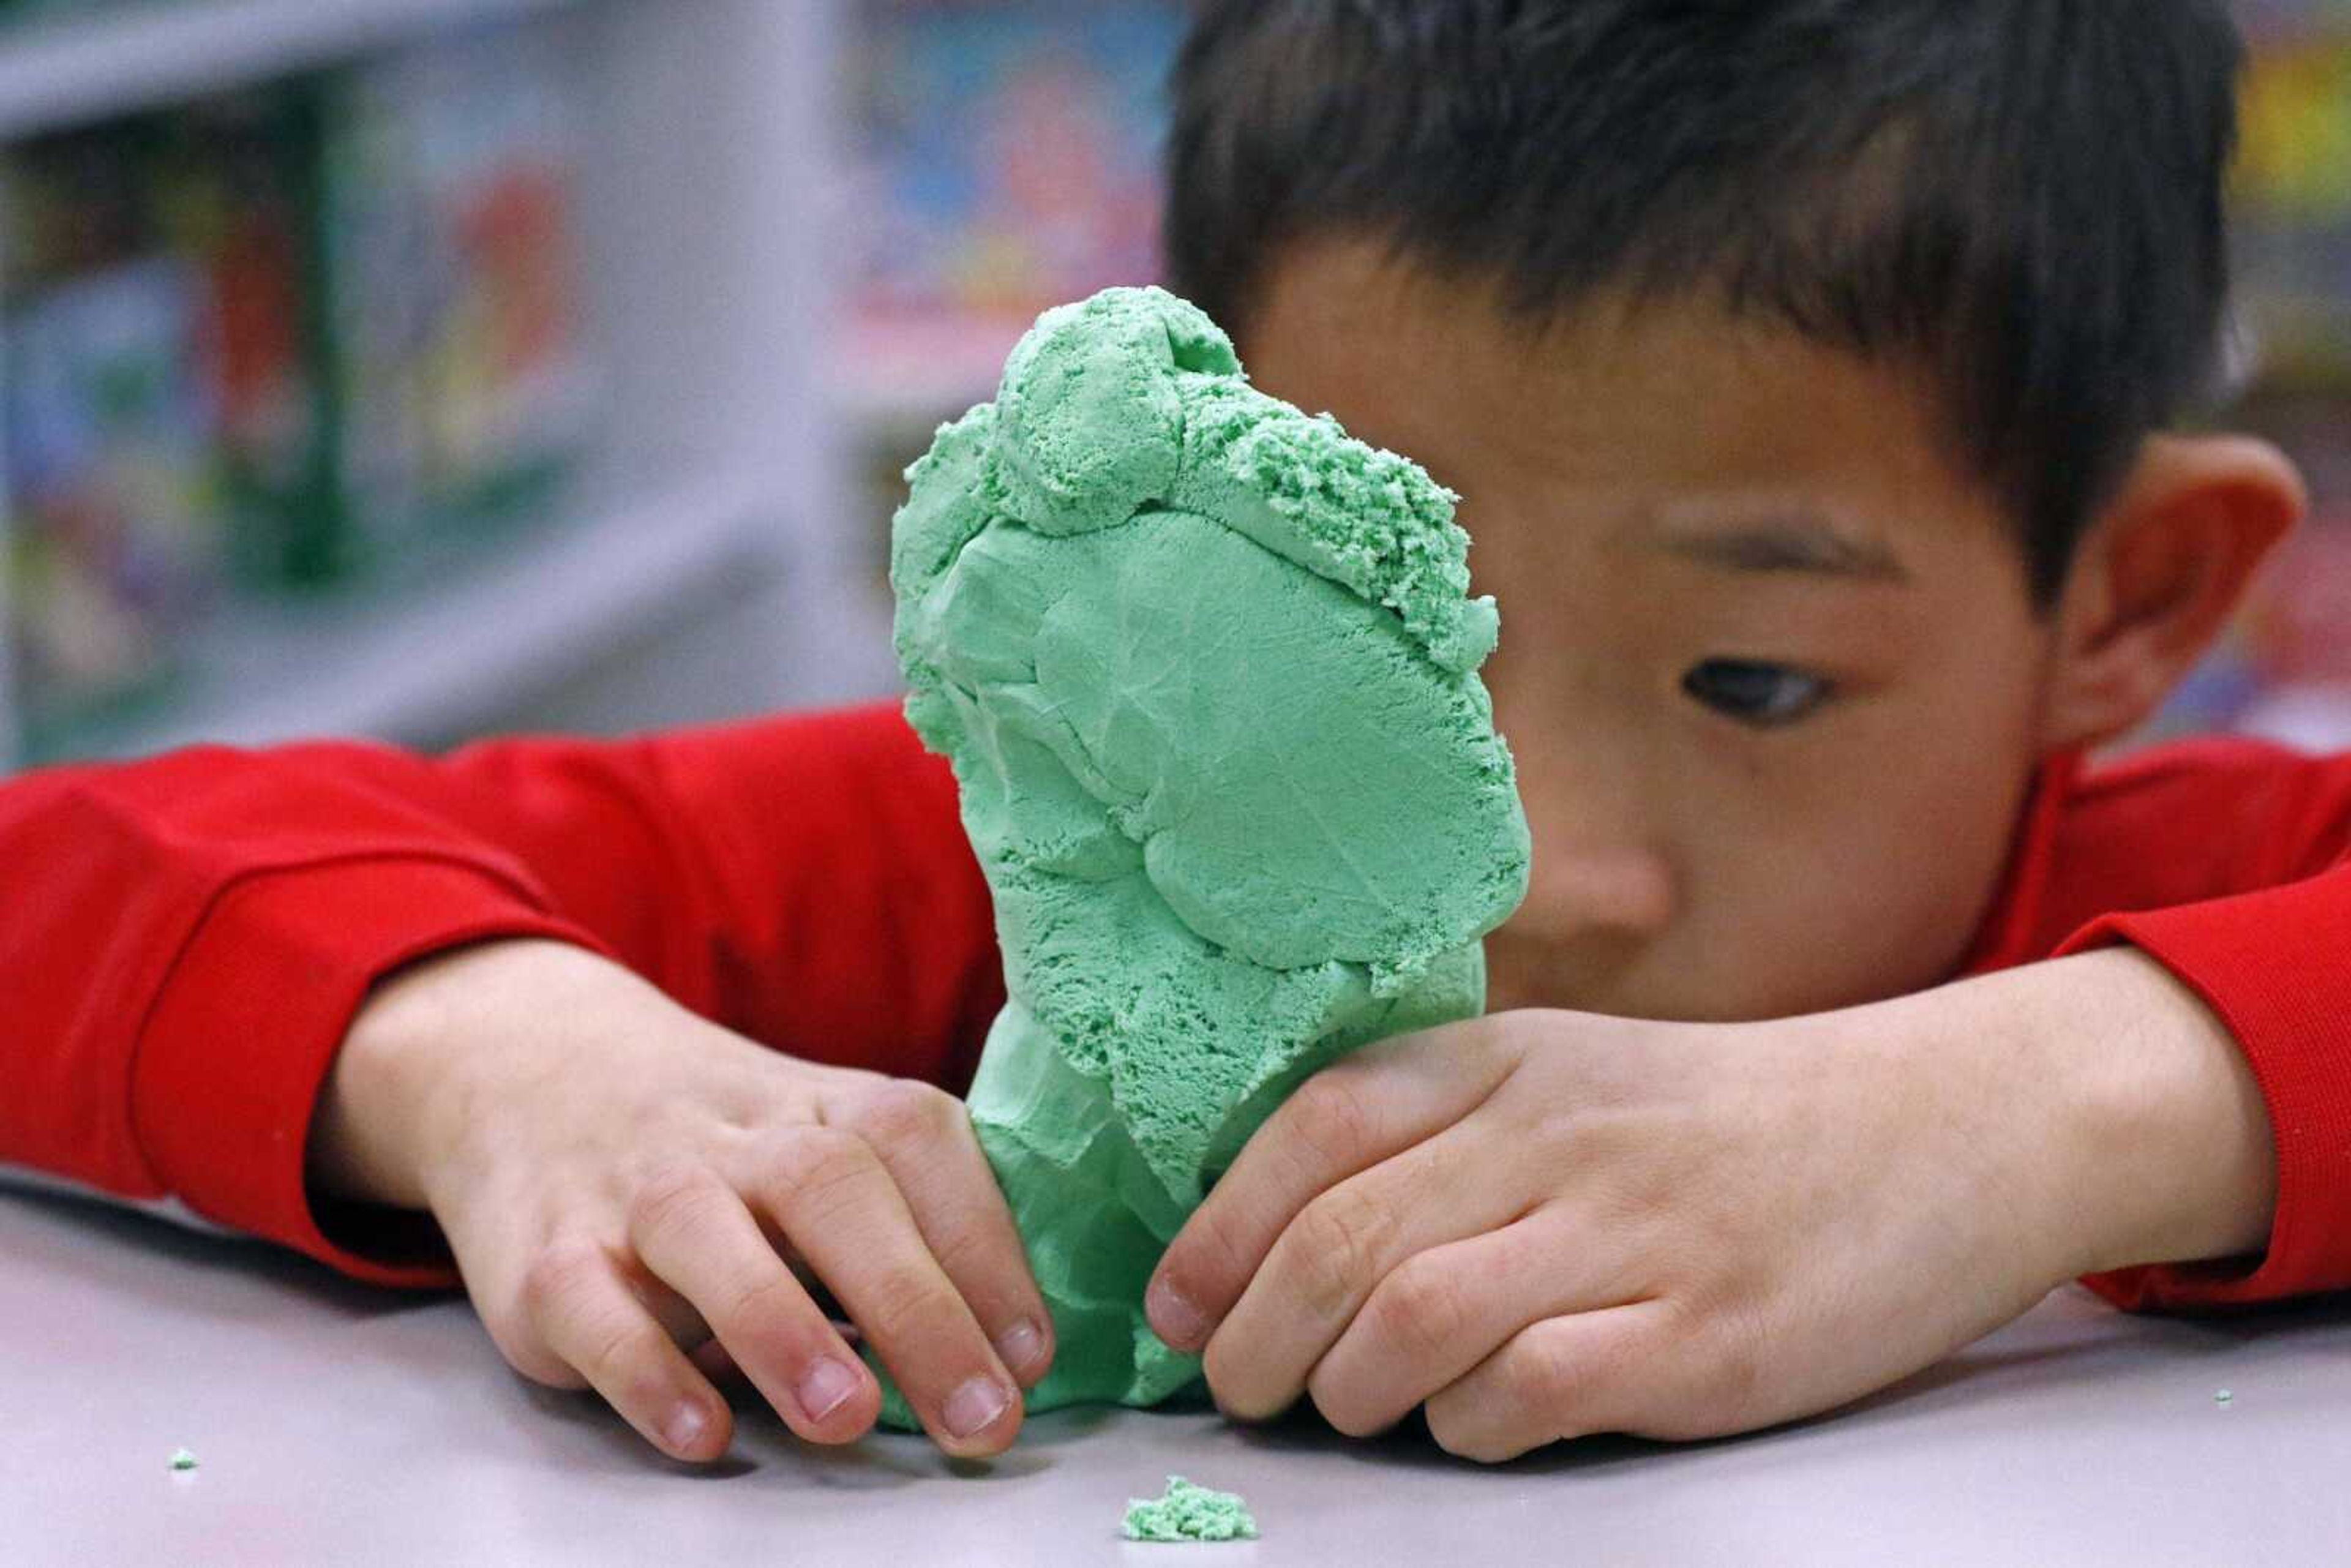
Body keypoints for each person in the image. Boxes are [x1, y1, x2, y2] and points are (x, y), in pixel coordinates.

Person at [3, 0, 2334, 1468]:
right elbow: (71, 862)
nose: (1526, 858)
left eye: (1755, 682)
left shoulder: (2146, 903)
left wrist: (2036, 1115)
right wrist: (503, 1060)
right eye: (1344, 633)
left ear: (2122, 602)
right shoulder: (1053, 857)